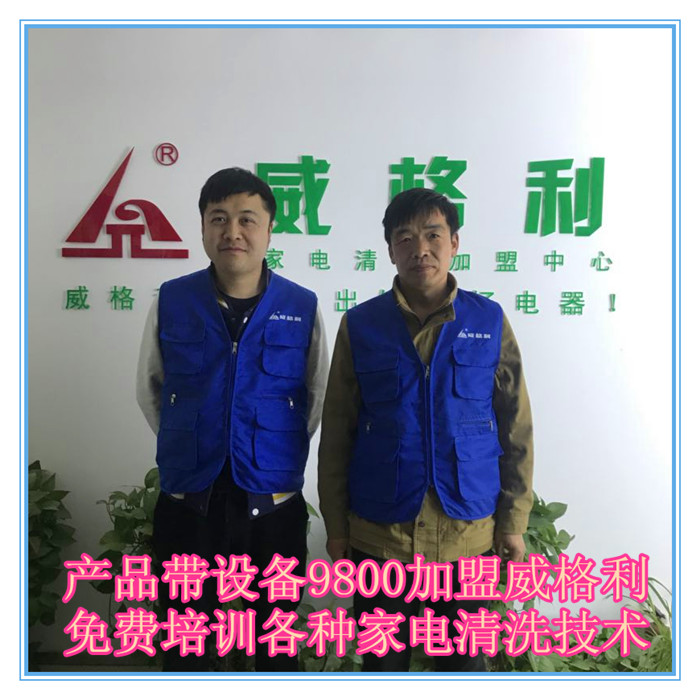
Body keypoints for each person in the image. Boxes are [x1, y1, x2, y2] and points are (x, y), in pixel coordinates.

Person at [318, 188, 533, 672]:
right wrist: (336, 527)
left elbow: (515, 427)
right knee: (383, 668)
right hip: (382, 538)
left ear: (454, 243)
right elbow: (337, 433)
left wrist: (513, 520)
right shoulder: (361, 324)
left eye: (433, 235)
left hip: (467, 537)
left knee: (464, 668)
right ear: (389, 249)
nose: (421, 249)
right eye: (405, 238)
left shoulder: (489, 320)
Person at [137, 167, 328, 672]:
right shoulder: (172, 299)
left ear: (269, 229)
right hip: (189, 500)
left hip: (273, 503)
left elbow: (315, 395)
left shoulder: (302, 306)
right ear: (203, 228)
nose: (233, 232)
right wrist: (197, 436)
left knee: (276, 641)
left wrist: (267, 445)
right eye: (218, 218)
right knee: (185, 642)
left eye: (247, 219)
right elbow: (151, 388)